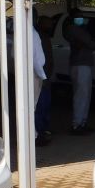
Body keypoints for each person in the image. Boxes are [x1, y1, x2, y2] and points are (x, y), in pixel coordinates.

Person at [64, 9, 95, 135]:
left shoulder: (77, 30)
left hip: (82, 64)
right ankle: (77, 124)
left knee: (85, 95)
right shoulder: (75, 29)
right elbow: (92, 44)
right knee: (81, 96)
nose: (81, 19)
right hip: (80, 65)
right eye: (78, 17)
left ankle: (82, 122)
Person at [34, 13, 54, 146]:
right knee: (40, 105)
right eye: (49, 24)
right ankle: (38, 133)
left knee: (45, 105)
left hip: (45, 75)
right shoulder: (37, 36)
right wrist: (43, 76)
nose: (51, 26)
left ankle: (43, 130)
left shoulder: (43, 36)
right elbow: (39, 60)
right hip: (40, 76)